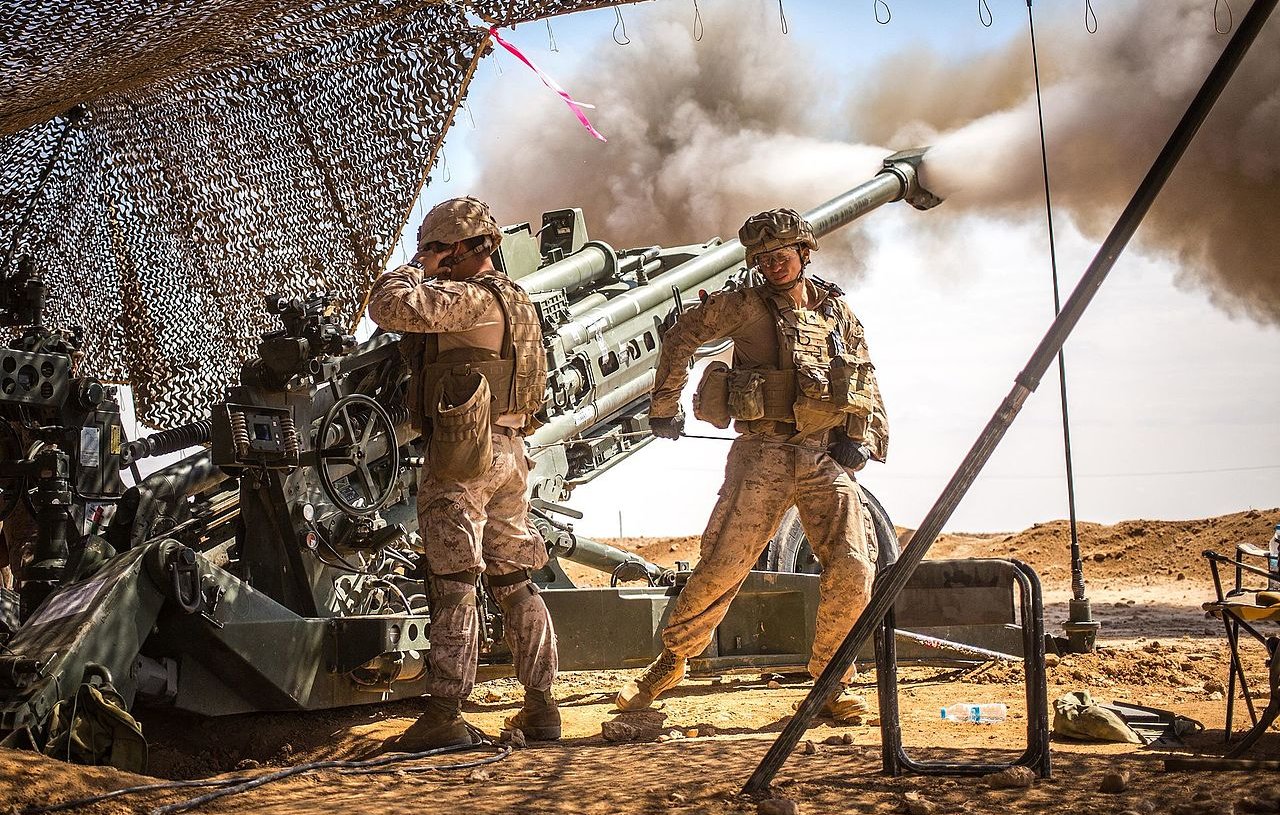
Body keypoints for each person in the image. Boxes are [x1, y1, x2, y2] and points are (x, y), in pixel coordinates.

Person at [615, 208, 888, 721]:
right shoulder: (743, 306)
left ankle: (831, 682)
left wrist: (864, 436)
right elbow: (680, 337)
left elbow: (865, 374)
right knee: (723, 566)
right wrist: (664, 406)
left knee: (854, 566)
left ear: (804, 254)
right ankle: (668, 664)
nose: (772, 267)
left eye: (781, 256)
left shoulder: (836, 311)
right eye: (761, 259)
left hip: (822, 455)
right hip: (763, 455)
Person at [368, 196, 559, 749]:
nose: (424, 258)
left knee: (453, 580)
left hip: (464, 457)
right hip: (509, 453)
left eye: (430, 249)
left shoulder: (467, 298)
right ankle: (542, 707)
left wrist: (404, 271)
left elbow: (389, 307)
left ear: (458, 249)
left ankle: (445, 714)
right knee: (513, 579)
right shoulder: (518, 299)